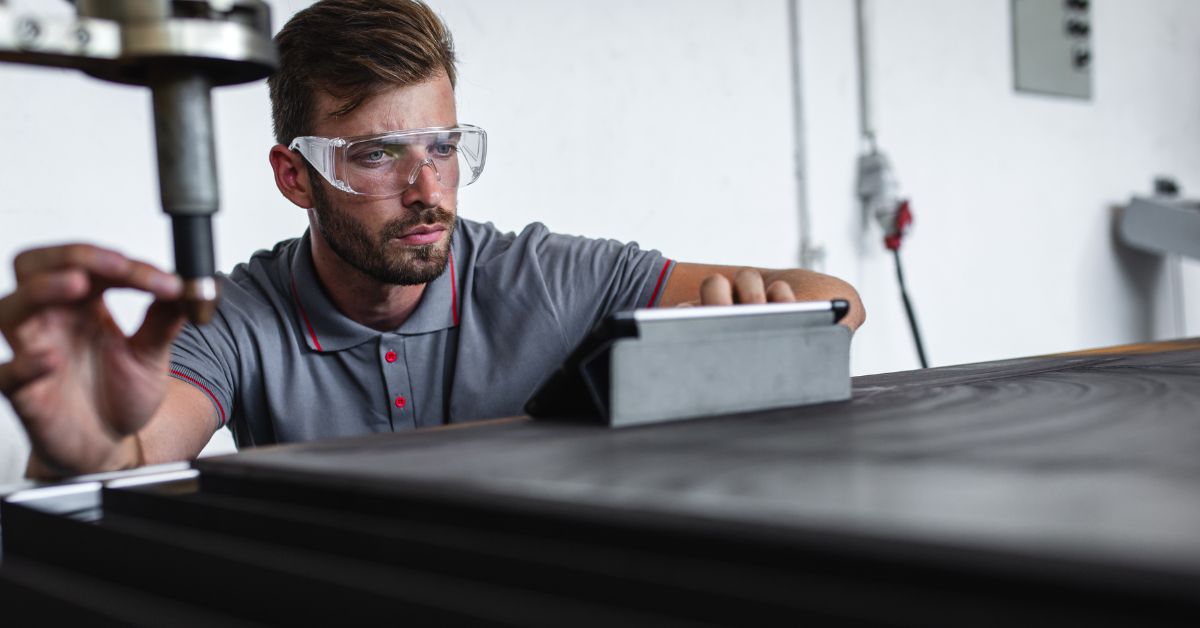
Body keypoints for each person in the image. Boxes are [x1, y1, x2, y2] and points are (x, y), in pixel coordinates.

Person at [0, 0, 864, 479]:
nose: (427, 192)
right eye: (377, 155)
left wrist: (756, 315)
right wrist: (84, 452)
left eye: (443, 149)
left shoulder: (546, 277)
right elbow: (140, 450)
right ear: (295, 176)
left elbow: (840, 305)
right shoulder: (238, 317)